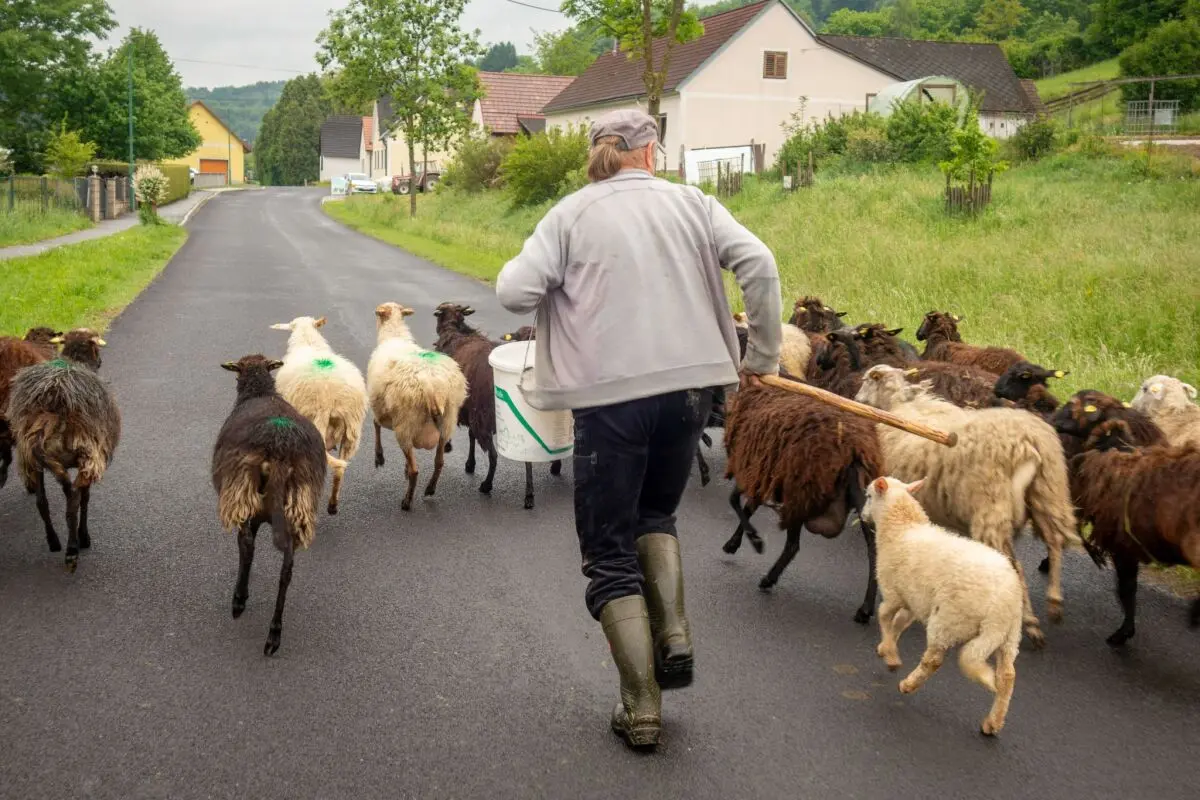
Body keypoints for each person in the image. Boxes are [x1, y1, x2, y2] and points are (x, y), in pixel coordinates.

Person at [495, 108, 781, 750]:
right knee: (657, 514)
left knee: (608, 548)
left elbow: (514, 293)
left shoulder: (570, 214)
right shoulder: (697, 205)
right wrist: (760, 358)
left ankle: (642, 706)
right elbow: (760, 265)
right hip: (690, 391)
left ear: (601, 154)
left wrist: (559, 287)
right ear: (649, 152)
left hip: (609, 399)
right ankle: (673, 634)